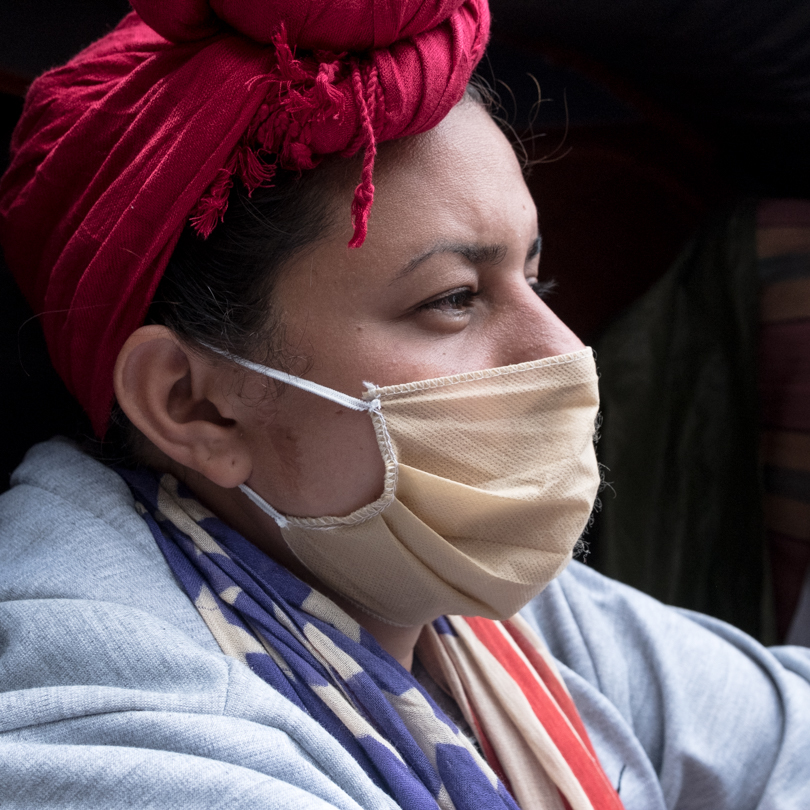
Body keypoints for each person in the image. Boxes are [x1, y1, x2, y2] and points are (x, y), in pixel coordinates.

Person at [0, 2, 807, 808]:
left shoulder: (464, 601)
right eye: (454, 298)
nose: (563, 350)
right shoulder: (121, 743)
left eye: (535, 276)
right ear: (192, 404)